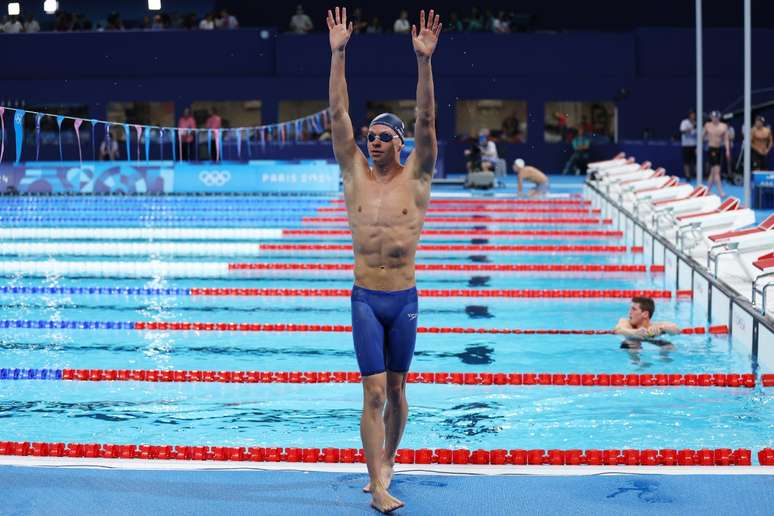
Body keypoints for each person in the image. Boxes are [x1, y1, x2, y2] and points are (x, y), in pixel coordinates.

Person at [327, 7, 440, 513]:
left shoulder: (417, 176)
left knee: (397, 389)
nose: (372, 143)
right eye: (369, 136)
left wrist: (424, 63)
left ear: (402, 144)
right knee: (372, 393)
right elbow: (337, 115)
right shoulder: (353, 170)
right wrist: (338, 52)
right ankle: (376, 484)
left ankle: (388, 460)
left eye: (382, 137)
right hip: (366, 299)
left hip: (405, 298)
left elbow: (429, 119)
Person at [614, 297, 679, 350]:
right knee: (632, 343)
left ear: (645, 314)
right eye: (630, 309)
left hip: (653, 343)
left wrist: (662, 328)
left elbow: (677, 330)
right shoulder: (626, 322)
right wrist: (635, 332)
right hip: (632, 344)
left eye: (633, 309)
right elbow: (618, 329)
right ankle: (636, 364)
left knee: (669, 346)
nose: (629, 312)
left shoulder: (656, 326)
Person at [703, 110, 731, 197]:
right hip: (711, 149)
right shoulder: (707, 125)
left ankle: (706, 190)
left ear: (719, 117)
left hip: (719, 150)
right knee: (717, 172)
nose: (714, 119)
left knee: (713, 172)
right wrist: (698, 147)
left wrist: (727, 150)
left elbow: (726, 139)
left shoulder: (723, 126)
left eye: (716, 117)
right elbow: (701, 137)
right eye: (713, 117)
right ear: (711, 117)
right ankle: (721, 192)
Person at [680, 110, 697, 180]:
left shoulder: (697, 123)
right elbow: (682, 131)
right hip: (686, 145)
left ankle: (696, 175)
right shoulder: (684, 122)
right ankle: (688, 176)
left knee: (696, 162)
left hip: (694, 145)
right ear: (689, 115)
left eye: (694, 114)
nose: (693, 116)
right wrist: (691, 128)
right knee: (686, 161)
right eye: (691, 114)